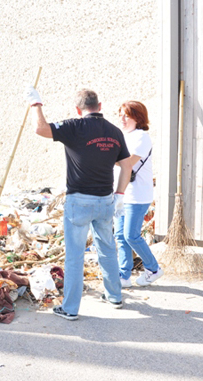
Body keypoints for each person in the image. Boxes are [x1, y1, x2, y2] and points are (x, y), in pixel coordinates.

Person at [26, 87, 132, 320]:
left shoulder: (74, 126)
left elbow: (40, 129)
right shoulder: (114, 131)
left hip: (79, 201)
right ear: (100, 106)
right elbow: (126, 165)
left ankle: (70, 308)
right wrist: (121, 194)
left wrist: (36, 104)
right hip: (106, 201)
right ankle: (114, 296)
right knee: (107, 248)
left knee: (75, 256)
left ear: (78, 109)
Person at [114, 101, 163, 287]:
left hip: (137, 195)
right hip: (121, 194)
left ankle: (154, 268)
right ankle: (124, 276)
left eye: (127, 115)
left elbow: (128, 163)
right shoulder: (122, 136)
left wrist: (104, 157)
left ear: (138, 117)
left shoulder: (142, 137)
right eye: (120, 114)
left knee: (131, 235)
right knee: (120, 236)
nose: (122, 119)